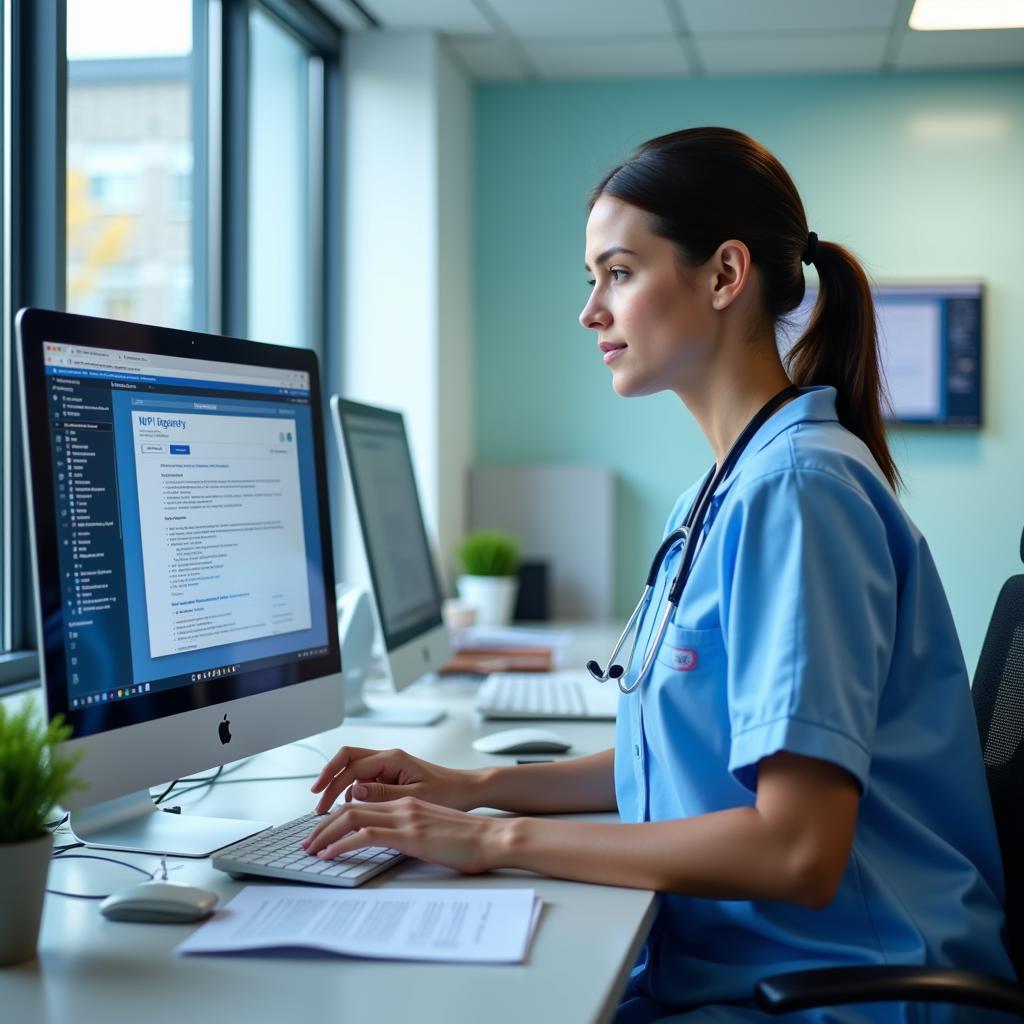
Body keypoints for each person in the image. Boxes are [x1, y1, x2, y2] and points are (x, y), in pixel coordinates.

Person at [304, 128, 1011, 1022]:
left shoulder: (797, 494)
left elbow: (799, 849)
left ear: (723, 275)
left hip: (843, 991)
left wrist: (495, 840)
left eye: (619, 272)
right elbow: (676, 761)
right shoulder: (721, 492)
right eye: (591, 279)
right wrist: (470, 786)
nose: (591, 311)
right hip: (756, 969)